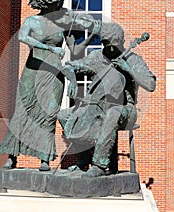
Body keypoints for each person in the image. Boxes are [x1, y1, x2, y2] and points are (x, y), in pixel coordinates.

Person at [0, 0, 100, 171]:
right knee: (23, 111)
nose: (61, 7)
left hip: (54, 75)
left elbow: (75, 51)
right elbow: (23, 37)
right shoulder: (32, 21)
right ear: (48, 4)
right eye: (58, 4)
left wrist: (91, 35)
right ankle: (12, 156)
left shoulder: (62, 24)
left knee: (48, 114)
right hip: (33, 72)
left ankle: (44, 158)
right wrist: (50, 48)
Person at [58, 22, 156, 177]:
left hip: (125, 108)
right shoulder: (97, 57)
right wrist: (73, 80)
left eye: (113, 46)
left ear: (122, 43)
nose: (109, 49)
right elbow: (69, 66)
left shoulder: (133, 59)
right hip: (97, 105)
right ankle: (84, 158)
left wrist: (128, 69)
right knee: (63, 115)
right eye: (106, 45)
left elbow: (151, 85)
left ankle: (100, 165)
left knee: (113, 113)